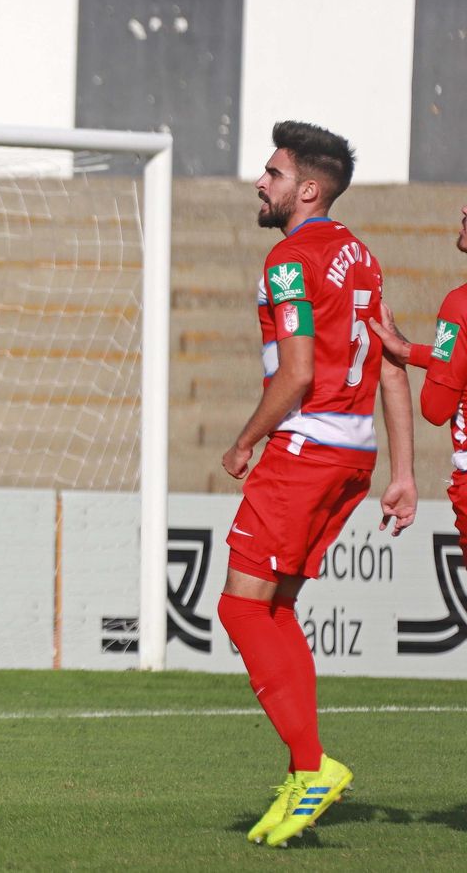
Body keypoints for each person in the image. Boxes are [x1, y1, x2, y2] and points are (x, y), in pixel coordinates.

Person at [218, 121, 416, 848]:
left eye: (271, 173)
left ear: (307, 189)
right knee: (274, 610)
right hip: (354, 457)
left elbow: (298, 376)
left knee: (242, 611)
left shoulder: (289, 260)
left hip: (306, 451)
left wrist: (245, 441)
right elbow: (391, 360)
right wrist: (402, 473)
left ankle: (312, 765)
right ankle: (306, 774)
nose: (259, 183)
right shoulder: (361, 257)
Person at [365, 203, 467, 557]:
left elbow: (435, 408)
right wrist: (409, 351)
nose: (464, 208)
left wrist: (429, 358)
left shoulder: (459, 305)